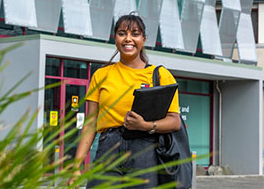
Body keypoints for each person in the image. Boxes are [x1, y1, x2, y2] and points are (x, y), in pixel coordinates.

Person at [68, 13, 180, 188]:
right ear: (115, 38)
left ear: (143, 39)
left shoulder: (160, 75)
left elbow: (174, 121)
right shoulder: (101, 75)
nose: (128, 39)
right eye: (122, 33)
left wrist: (146, 126)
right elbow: (90, 124)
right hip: (108, 148)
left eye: (135, 34)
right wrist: (76, 167)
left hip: (145, 150)